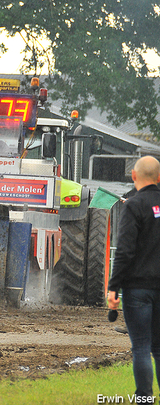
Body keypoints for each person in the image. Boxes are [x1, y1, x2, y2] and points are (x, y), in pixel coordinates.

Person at [107, 155, 160, 402]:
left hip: (137, 289)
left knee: (141, 347)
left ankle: (144, 399)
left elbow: (125, 251)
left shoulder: (133, 206)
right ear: (159, 178)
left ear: (134, 176)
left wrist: (113, 288)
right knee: (159, 349)